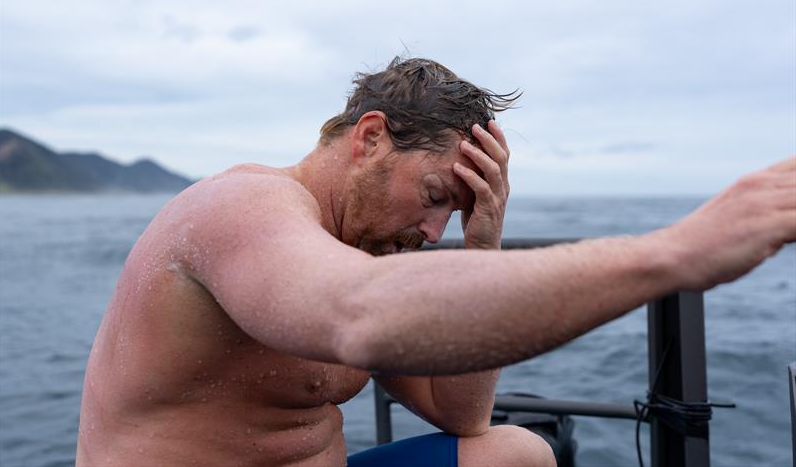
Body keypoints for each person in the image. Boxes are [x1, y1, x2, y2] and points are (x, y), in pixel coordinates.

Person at [76, 57, 795, 467]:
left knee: (515, 455)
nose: (430, 229)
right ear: (369, 138)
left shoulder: (362, 247)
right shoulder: (240, 208)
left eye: (452, 211)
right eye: (432, 195)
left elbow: (463, 416)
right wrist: (676, 253)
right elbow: (358, 317)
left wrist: (482, 242)